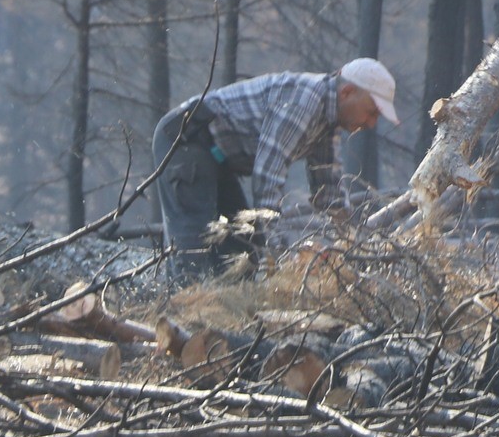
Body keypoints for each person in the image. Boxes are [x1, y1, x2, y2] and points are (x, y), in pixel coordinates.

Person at [152, 58, 399, 275]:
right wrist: (276, 249)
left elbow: (330, 193)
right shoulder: (304, 101)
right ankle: (181, 313)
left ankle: (229, 318)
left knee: (242, 247)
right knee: (195, 246)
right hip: (186, 138)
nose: (371, 123)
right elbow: (268, 175)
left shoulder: (327, 123)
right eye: (371, 113)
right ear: (346, 92)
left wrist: (352, 244)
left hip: (217, 157)